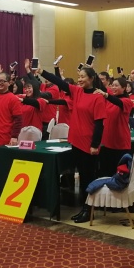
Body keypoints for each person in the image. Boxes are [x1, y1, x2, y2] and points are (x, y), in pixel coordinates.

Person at [38, 63, 106, 223]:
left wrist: (95, 145)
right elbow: (60, 82)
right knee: (81, 177)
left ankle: (89, 210)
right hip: (75, 141)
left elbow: (99, 124)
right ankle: (84, 208)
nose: (80, 79)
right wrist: (42, 72)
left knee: (88, 178)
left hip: (88, 144)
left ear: (91, 78)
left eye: (83, 77)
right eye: (79, 76)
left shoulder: (98, 97)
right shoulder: (77, 91)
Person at [94, 76, 133, 177]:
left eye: (116, 86)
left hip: (120, 143)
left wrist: (106, 95)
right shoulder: (109, 99)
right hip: (106, 142)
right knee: (105, 173)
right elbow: (101, 87)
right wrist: (92, 72)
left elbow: (118, 102)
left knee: (119, 175)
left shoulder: (127, 101)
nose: (113, 88)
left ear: (124, 88)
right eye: (112, 85)